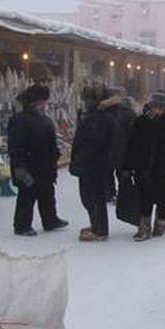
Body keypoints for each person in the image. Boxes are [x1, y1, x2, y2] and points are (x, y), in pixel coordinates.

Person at [8, 84, 68, 236]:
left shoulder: (44, 119)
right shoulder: (20, 120)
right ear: (36, 102)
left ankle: (50, 220)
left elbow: (49, 141)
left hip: (45, 164)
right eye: (43, 101)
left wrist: (55, 153)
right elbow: (16, 146)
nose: (45, 104)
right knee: (27, 195)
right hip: (29, 164)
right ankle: (22, 225)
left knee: (47, 192)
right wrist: (19, 167)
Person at [126, 92, 165, 241]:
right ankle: (143, 227)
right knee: (144, 197)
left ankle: (160, 223)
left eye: (161, 108)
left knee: (164, 198)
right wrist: (128, 165)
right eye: (155, 107)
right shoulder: (141, 121)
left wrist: (155, 121)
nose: (158, 110)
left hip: (163, 167)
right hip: (143, 166)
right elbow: (132, 143)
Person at [70, 84, 114, 242]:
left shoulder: (98, 118)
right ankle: (96, 225)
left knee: (93, 197)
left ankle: (99, 230)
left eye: (87, 99)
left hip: (94, 164)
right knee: (90, 197)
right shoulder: (94, 116)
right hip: (93, 163)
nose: (85, 103)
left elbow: (92, 143)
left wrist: (79, 160)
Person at [100, 88, 136, 202]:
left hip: (108, 148)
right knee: (122, 174)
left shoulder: (103, 111)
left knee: (108, 172)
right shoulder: (129, 113)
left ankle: (109, 193)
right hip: (123, 149)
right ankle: (122, 195)